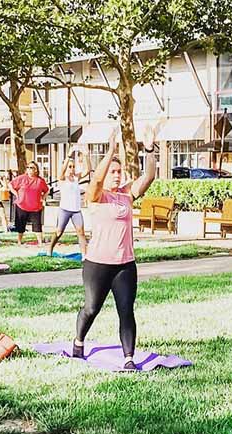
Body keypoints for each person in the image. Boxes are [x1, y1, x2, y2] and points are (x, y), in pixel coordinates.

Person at [73, 126, 158, 370]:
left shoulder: (126, 194)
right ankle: (78, 342)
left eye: (120, 172)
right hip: (97, 264)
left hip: (125, 265)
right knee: (91, 308)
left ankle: (129, 358)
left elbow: (149, 177)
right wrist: (110, 151)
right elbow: (97, 180)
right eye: (114, 172)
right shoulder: (96, 195)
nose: (118, 176)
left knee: (126, 311)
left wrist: (149, 149)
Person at [48, 148, 91, 257]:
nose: (72, 169)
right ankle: (50, 249)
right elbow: (62, 171)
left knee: (81, 232)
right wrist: (68, 156)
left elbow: (88, 170)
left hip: (76, 211)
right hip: (64, 210)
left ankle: (84, 255)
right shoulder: (62, 178)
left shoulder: (76, 178)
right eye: (70, 167)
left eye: (73, 167)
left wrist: (86, 156)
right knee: (59, 232)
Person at [9, 161, 50, 247]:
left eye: (31, 168)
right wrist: (16, 194)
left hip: (35, 207)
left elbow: (47, 190)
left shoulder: (40, 181)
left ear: (36, 170)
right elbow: (10, 185)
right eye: (28, 167)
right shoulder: (22, 178)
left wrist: (43, 198)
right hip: (22, 205)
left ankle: (40, 242)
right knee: (21, 226)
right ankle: (19, 242)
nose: (29, 169)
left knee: (37, 226)